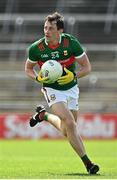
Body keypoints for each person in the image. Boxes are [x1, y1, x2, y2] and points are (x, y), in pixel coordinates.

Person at [25, 12, 99, 174]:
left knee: (67, 129)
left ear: (60, 31)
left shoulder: (71, 43)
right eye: (45, 27)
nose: (46, 31)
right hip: (51, 88)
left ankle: (43, 116)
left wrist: (74, 75)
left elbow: (87, 68)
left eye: (51, 28)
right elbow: (28, 69)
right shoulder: (37, 48)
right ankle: (88, 163)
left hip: (71, 88)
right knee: (70, 123)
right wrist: (38, 78)